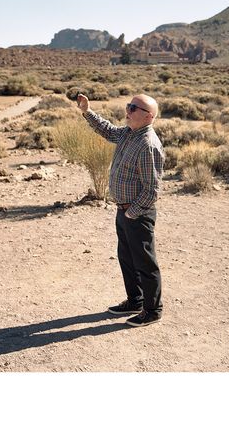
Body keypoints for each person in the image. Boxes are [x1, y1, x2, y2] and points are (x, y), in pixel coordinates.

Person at [76, 93, 165, 327]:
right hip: (124, 210)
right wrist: (87, 112)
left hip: (138, 213)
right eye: (128, 105)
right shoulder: (128, 133)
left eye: (134, 108)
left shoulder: (148, 145)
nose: (128, 110)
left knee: (145, 263)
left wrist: (131, 213)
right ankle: (136, 300)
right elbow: (107, 130)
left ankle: (152, 310)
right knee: (127, 258)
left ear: (148, 116)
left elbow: (152, 190)